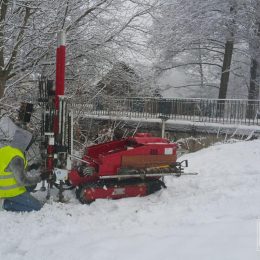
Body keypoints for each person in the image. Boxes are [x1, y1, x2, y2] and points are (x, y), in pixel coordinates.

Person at [0, 128, 47, 212]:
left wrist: (31, 167)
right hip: (8, 191)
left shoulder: (8, 150)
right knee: (37, 206)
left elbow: (13, 169)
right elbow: (23, 180)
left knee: (32, 185)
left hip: (2, 186)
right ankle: (6, 204)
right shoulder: (17, 158)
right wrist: (40, 178)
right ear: (24, 143)